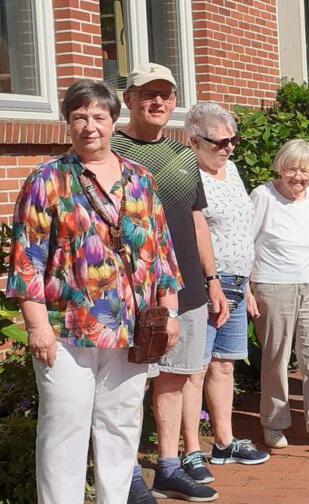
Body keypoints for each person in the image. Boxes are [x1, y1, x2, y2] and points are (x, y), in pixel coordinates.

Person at [6, 79, 181, 504]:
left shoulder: (140, 178)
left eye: (99, 116)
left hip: (131, 330)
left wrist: (168, 310)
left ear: (112, 120)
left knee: (121, 428)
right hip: (66, 331)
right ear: (67, 122)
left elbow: (159, 249)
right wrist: (37, 327)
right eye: (79, 116)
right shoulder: (46, 179)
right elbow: (26, 258)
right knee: (64, 430)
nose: (90, 126)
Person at [111, 63, 226, 502]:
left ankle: (168, 465)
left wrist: (212, 279)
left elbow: (196, 218)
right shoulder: (113, 152)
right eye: (147, 95)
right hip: (135, 290)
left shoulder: (182, 155)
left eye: (166, 95)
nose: (157, 103)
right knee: (132, 381)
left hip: (188, 288)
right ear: (130, 100)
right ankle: (128, 475)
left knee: (175, 377)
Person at [185, 103, 270, 469]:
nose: (228, 148)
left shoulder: (231, 171)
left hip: (236, 283)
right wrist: (212, 281)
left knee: (223, 365)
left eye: (232, 140)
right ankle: (189, 451)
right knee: (194, 367)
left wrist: (247, 284)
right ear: (194, 141)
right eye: (219, 142)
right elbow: (194, 233)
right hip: (206, 285)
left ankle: (224, 442)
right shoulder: (188, 176)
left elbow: (240, 231)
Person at [248, 139, 309, 452]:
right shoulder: (263, 196)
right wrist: (248, 290)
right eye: (292, 169)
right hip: (273, 285)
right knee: (275, 358)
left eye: (304, 171)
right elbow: (245, 244)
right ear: (280, 167)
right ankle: (274, 422)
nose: (298, 177)